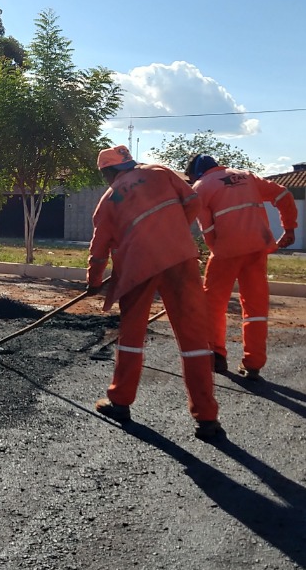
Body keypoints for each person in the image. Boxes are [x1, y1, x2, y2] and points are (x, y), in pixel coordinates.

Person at [87, 145, 223, 441]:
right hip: (181, 258)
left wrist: (94, 281)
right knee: (194, 339)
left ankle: (120, 402)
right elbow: (192, 201)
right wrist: (172, 232)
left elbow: (99, 249)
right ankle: (207, 419)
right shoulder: (161, 172)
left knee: (131, 336)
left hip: (138, 266)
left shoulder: (109, 198)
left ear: (108, 172)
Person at [185, 153, 298, 381]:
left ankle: (216, 355)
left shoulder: (200, 187)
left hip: (226, 252)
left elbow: (207, 228)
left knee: (213, 304)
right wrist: (289, 228)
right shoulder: (247, 176)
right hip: (257, 247)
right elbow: (283, 194)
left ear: (196, 173)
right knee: (255, 307)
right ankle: (253, 364)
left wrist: (215, 250)